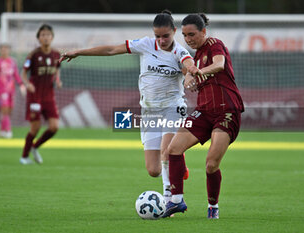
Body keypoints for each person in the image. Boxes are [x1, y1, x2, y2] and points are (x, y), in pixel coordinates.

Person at [60, 10, 202, 202]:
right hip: (149, 111)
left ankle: (170, 202)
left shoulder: (179, 52)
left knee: (166, 153)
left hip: (172, 107)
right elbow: (111, 50)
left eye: (165, 36)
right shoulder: (145, 45)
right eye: (157, 36)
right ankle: (178, 165)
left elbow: (188, 65)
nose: (161, 40)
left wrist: (189, 76)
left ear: (174, 31)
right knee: (153, 170)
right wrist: (79, 52)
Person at [162, 13, 244, 219]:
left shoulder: (215, 44)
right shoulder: (196, 55)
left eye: (192, 34)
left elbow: (219, 65)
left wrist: (198, 72)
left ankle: (213, 207)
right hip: (204, 111)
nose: (188, 39)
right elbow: (190, 71)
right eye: (185, 35)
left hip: (227, 110)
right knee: (173, 149)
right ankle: (176, 201)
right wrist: (189, 77)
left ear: (204, 32)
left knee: (211, 164)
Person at [20, 24, 62, 165]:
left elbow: (57, 69)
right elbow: (23, 73)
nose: (45, 37)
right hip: (35, 96)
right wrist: (27, 84)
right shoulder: (33, 55)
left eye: (48, 35)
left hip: (49, 96)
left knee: (54, 127)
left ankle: (35, 147)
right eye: (43, 35)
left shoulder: (56, 55)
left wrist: (58, 80)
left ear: (52, 37)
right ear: (38, 38)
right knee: (35, 128)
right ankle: (24, 157)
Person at [0, 44, 26, 138]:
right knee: (4, 109)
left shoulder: (13, 62)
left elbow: (16, 75)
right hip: (2, 90)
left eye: (6, 49)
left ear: (9, 50)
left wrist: (21, 85)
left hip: (11, 90)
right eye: (2, 49)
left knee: (9, 111)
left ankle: (2, 130)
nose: (4, 51)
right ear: (0, 51)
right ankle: (8, 131)